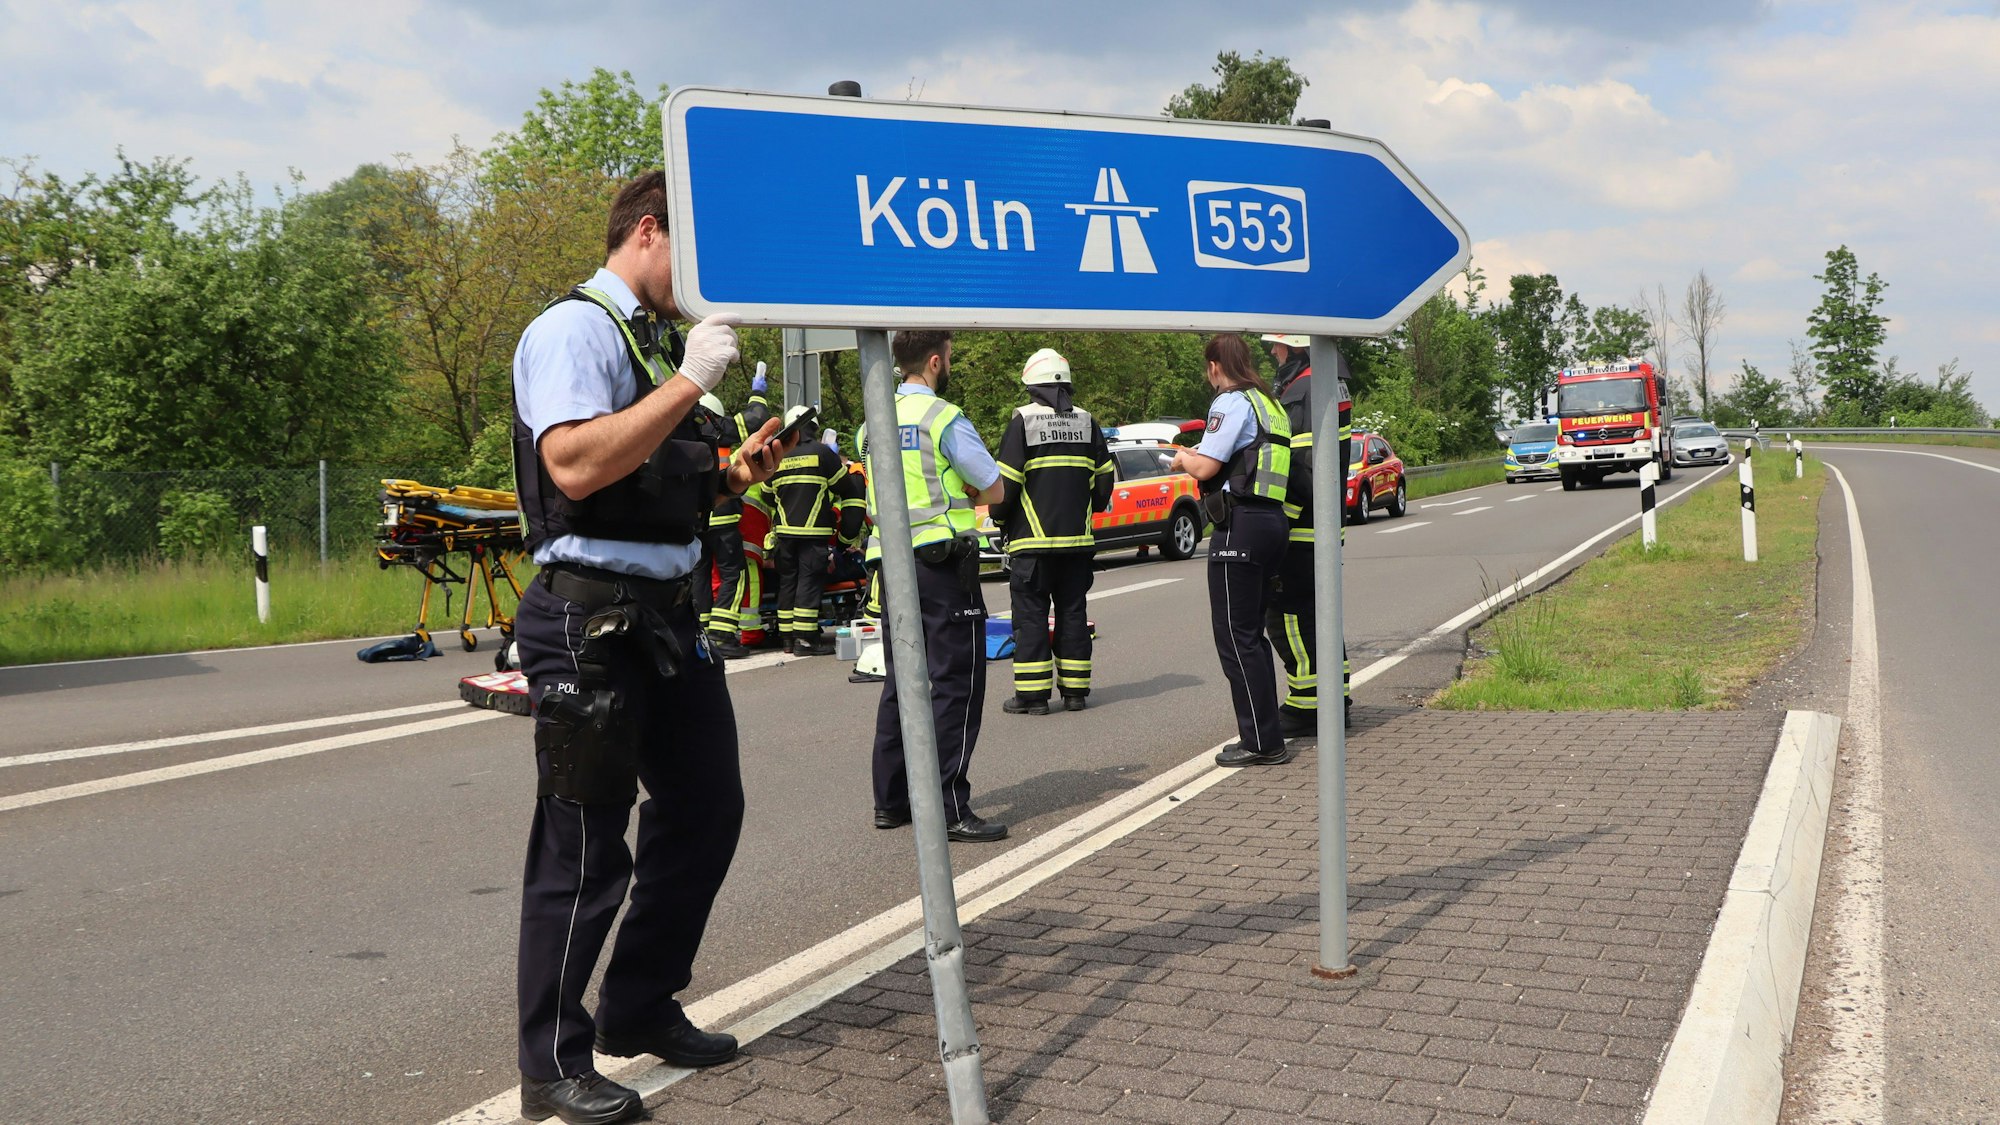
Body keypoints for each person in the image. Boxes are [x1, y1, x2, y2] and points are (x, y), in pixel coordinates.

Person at [507, 170, 793, 1125]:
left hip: (667, 615)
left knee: (708, 807)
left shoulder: (650, 342)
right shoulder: (575, 330)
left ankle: (638, 1003)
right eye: (696, 254)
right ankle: (552, 1064)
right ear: (648, 231)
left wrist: (732, 473)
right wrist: (691, 382)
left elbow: (651, 474)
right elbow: (574, 462)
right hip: (589, 619)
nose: (705, 282)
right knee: (587, 841)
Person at [861, 329, 1010, 842]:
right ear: (934, 361)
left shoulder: (870, 422)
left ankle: (892, 802)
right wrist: (970, 489)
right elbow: (994, 487)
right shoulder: (943, 417)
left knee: (903, 682)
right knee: (956, 684)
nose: (948, 363)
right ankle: (948, 807)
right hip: (942, 566)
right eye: (947, 356)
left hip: (891, 565)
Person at [1169, 334, 1294, 767]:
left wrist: (1183, 459)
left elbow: (1207, 466)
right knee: (1252, 636)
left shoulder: (1230, 401)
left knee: (1236, 639)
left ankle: (1262, 743)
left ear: (1215, 365)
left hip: (1239, 526)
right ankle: (1266, 734)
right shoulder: (1270, 404)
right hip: (1272, 522)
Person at [990, 347, 1113, 715]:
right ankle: (1075, 694)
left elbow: (1005, 487)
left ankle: (1033, 698)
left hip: (1032, 547)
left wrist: (999, 518)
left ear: (1031, 386)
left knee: (1030, 618)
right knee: (1073, 614)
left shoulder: (1022, 422)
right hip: (1077, 545)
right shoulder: (1088, 422)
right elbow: (1104, 484)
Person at [1260, 334, 1352, 736]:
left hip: (1302, 528)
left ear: (1297, 346)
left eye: (1278, 346)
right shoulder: (1329, 380)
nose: (1274, 353)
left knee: (1289, 616)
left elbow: (1301, 468)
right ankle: (1334, 701)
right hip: (1322, 525)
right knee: (1320, 617)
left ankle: (1308, 706)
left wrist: (1281, 520)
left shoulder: (1304, 390)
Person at [768, 404, 844, 655]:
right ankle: (806, 640)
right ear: (813, 427)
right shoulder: (822, 453)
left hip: (784, 533)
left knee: (788, 582)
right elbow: (844, 487)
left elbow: (767, 494)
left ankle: (787, 639)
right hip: (814, 534)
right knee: (808, 582)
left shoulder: (778, 455)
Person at [692, 392, 751, 659]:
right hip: (724, 522)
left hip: (698, 522)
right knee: (733, 575)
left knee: (700, 576)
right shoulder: (723, 439)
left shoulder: (690, 437)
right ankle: (722, 634)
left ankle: (702, 631)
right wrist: (758, 393)